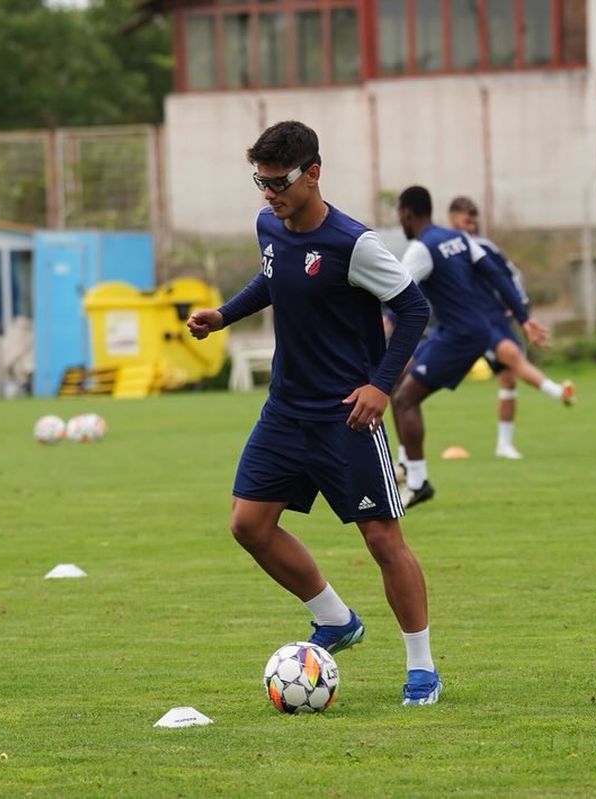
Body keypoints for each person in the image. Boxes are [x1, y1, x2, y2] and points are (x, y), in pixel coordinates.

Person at [185, 121, 442, 706]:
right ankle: (335, 618)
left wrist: (380, 387)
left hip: (347, 415)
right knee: (248, 525)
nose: (268, 192)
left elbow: (414, 308)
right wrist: (224, 316)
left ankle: (422, 668)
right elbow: (274, 277)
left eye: (279, 181)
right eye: (261, 181)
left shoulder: (354, 244)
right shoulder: (268, 225)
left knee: (383, 540)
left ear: (313, 174)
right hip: (285, 411)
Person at [389, 186, 534, 509]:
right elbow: (496, 274)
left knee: (404, 399)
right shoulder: (457, 238)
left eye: (399, 216)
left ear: (407, 214)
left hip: (460, 336)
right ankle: (406, 465)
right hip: (458, 330)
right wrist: (523, 317)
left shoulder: (421, 249)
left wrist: (385, 319)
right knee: (397, 379)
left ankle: (417, 482)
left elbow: (396, 292)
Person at [446, 196, 574, 461]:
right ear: (452, 218)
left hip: (498, 318)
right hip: (476, 323)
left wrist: (519, 308)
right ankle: (557, 391)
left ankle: (504, 445)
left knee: (508, 379)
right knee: (512, 356)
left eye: (473, 222)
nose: (470, 227)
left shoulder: (484, 247)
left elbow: (510, 275)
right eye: (465, 221)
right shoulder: (445, 251)